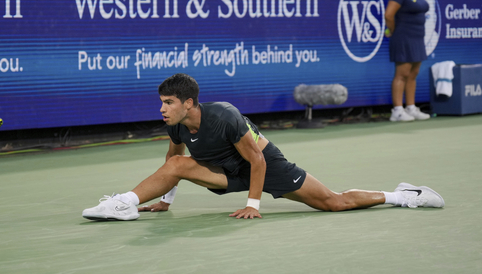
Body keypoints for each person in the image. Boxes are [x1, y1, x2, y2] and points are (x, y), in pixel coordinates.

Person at [82, 73, 445, 221]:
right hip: (225, 172)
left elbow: (256, 158)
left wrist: (253, 205)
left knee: (334, 202)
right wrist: (165, 200)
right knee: (177, 165)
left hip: (264, 165)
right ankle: (125, 204)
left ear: (189, 103)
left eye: (168, 103)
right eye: (161, 102)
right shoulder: (177, 126)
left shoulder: (224, 115)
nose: (162, 109)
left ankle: (403, 195)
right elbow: (172, 161)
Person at [384, 0, 432, 122]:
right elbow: (389, 15)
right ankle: (397, 111)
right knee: (402, 74)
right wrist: (392, 31)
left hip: (418, 37)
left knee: (413, 74)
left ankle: (410, 107)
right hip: (403, 37)